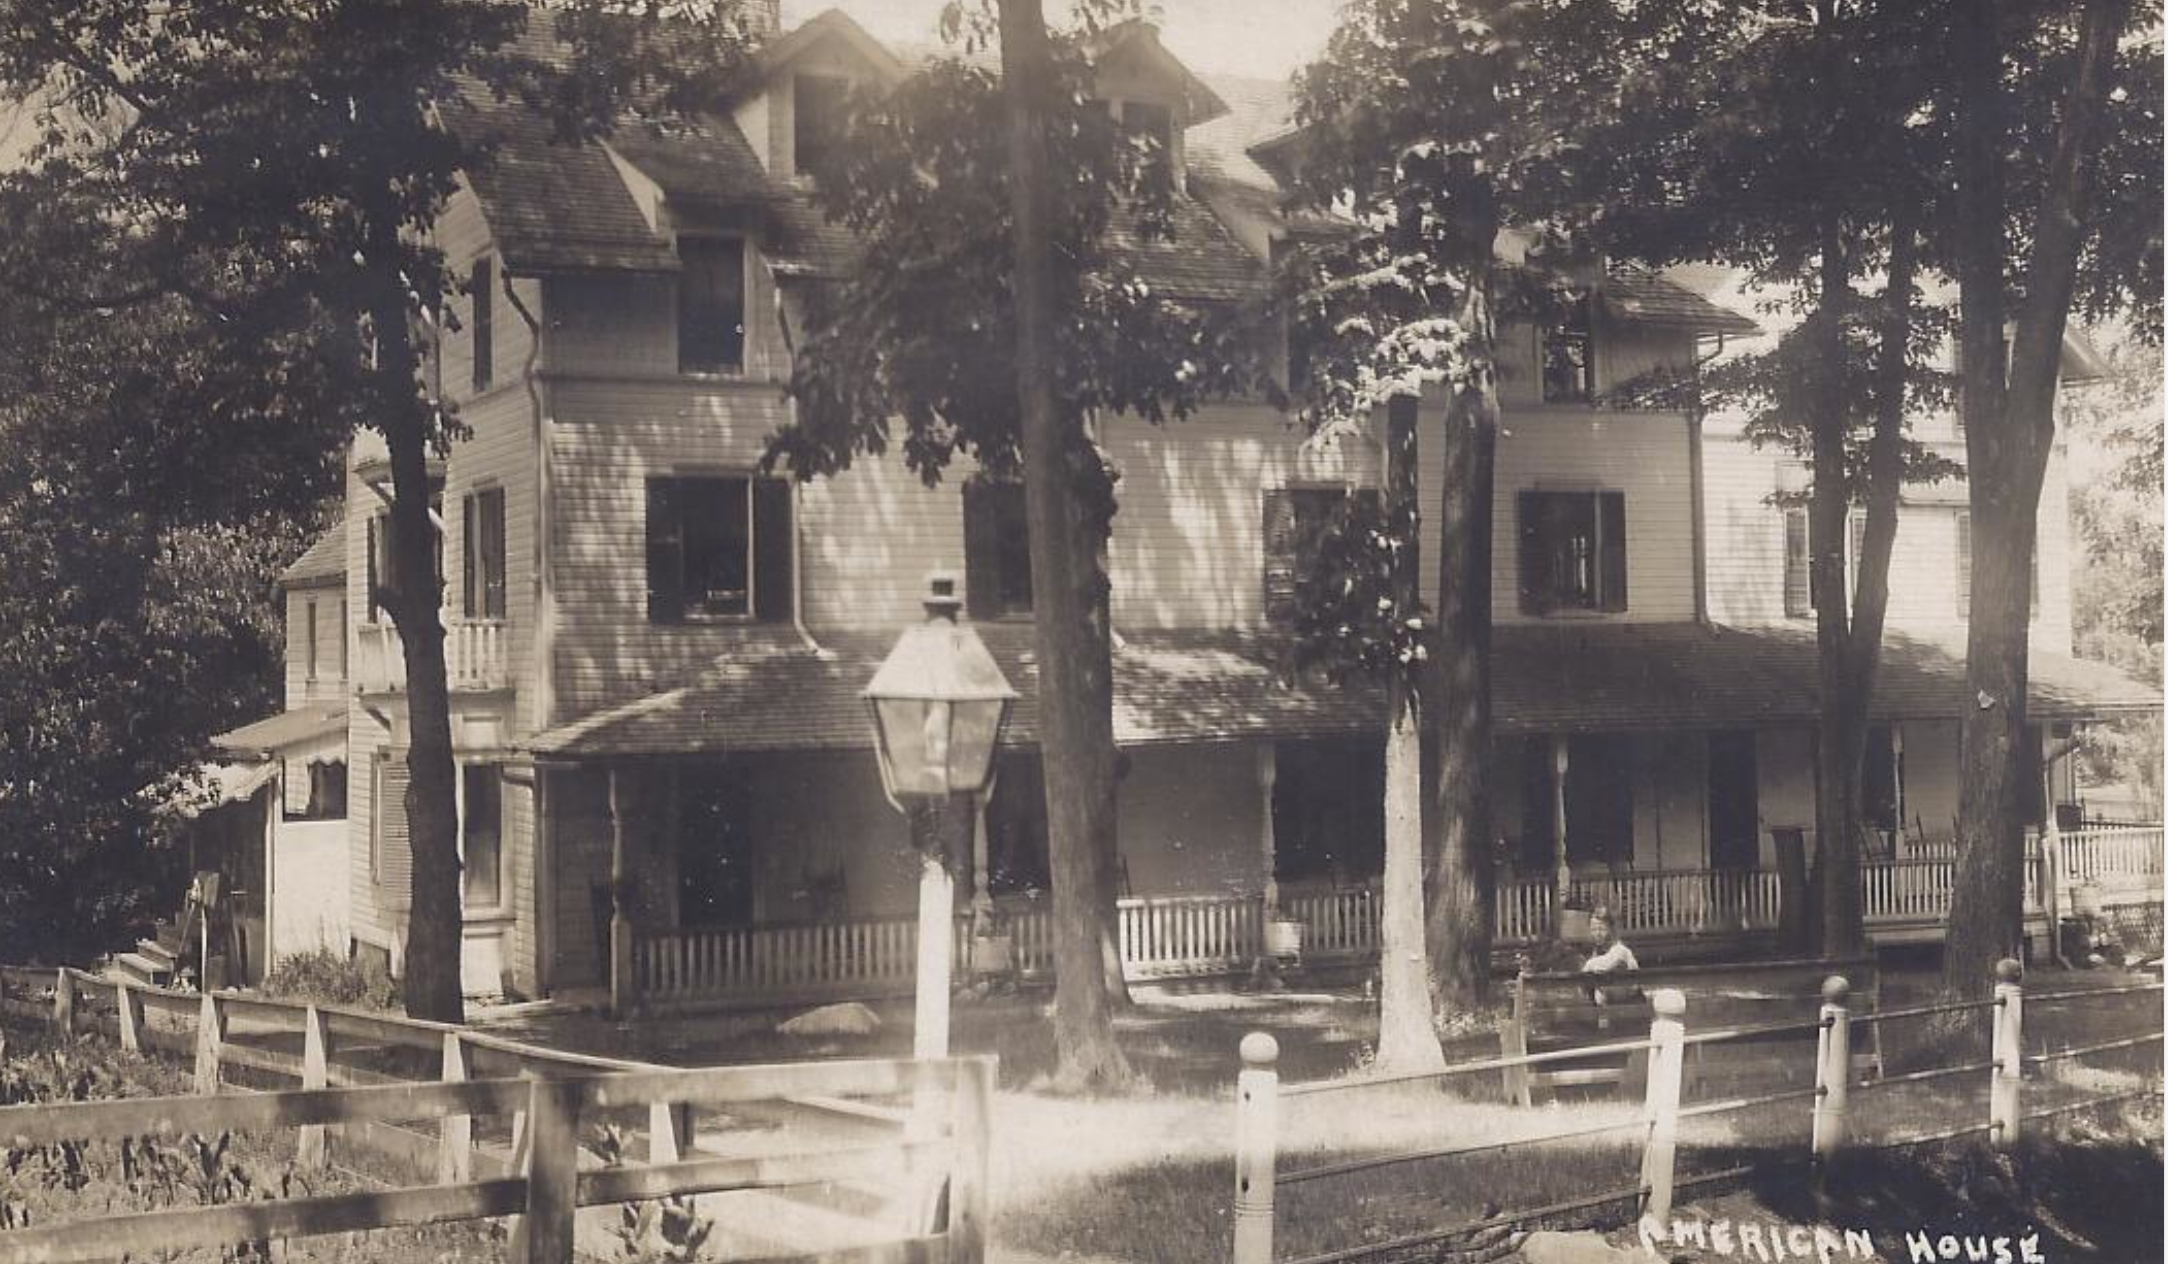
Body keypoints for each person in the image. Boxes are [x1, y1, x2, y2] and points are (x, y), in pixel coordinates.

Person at [1581, 910, 1639, 975]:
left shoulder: (1621, 951)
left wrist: (1589, 965)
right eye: (1593, 929)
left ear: (1612, 930)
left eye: (1602, 929)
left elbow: (1608, 964)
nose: (1598, 934)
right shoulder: (1594, 952)